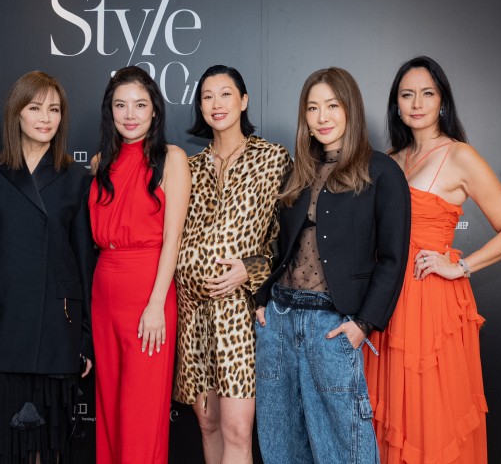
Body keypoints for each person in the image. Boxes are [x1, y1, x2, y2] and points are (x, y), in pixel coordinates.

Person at [363, 56, 501, 463]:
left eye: (427, 93)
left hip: (430, 305)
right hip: (386, 302)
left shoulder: (460, 156)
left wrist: (460, 265)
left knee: (428, 417)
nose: (417, 102)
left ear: (442, 101)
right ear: (396, 104)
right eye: (407, 94)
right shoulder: (390, 157)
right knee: (388, 421)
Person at [254, 67, 411, 464]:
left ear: (350, 109)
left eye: (332, 105)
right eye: (312, 107)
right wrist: (262, 301)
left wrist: (363, 325)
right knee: (281, 448)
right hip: (280, 322)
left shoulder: (382, 172)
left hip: (331, 327)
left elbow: (393, 258)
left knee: (345, 450)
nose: (322, 117)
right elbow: (282, 249)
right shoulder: (298, 172)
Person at [0, 70, 95, 463]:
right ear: (17, 114)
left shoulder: (76, 178)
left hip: (55, 334)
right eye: (35, 107)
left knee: (45, 449)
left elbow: (83, 263)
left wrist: (84, 337)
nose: (46, 117)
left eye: (55, 109)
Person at [173, 64, 292, 464]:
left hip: (240, 313)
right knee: (207, 426)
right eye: (207, 96)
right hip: (193, 313)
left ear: (243, 101)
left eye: (225, 94)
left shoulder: (273, 159)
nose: (216, 103)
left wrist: (251, 269)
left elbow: (290, 239)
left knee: (237, 428)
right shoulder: (190, 167)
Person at [89, 65, 191, 464]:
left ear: (154, 112)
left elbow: (173, 239)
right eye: (120, 105)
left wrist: (155, 304)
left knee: (142, 410)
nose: (130, 114)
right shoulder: (100, 162)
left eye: (140, 105)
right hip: (105, 291)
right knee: (111, 407)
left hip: (149, 290)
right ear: (109, 111)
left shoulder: (172, 159)